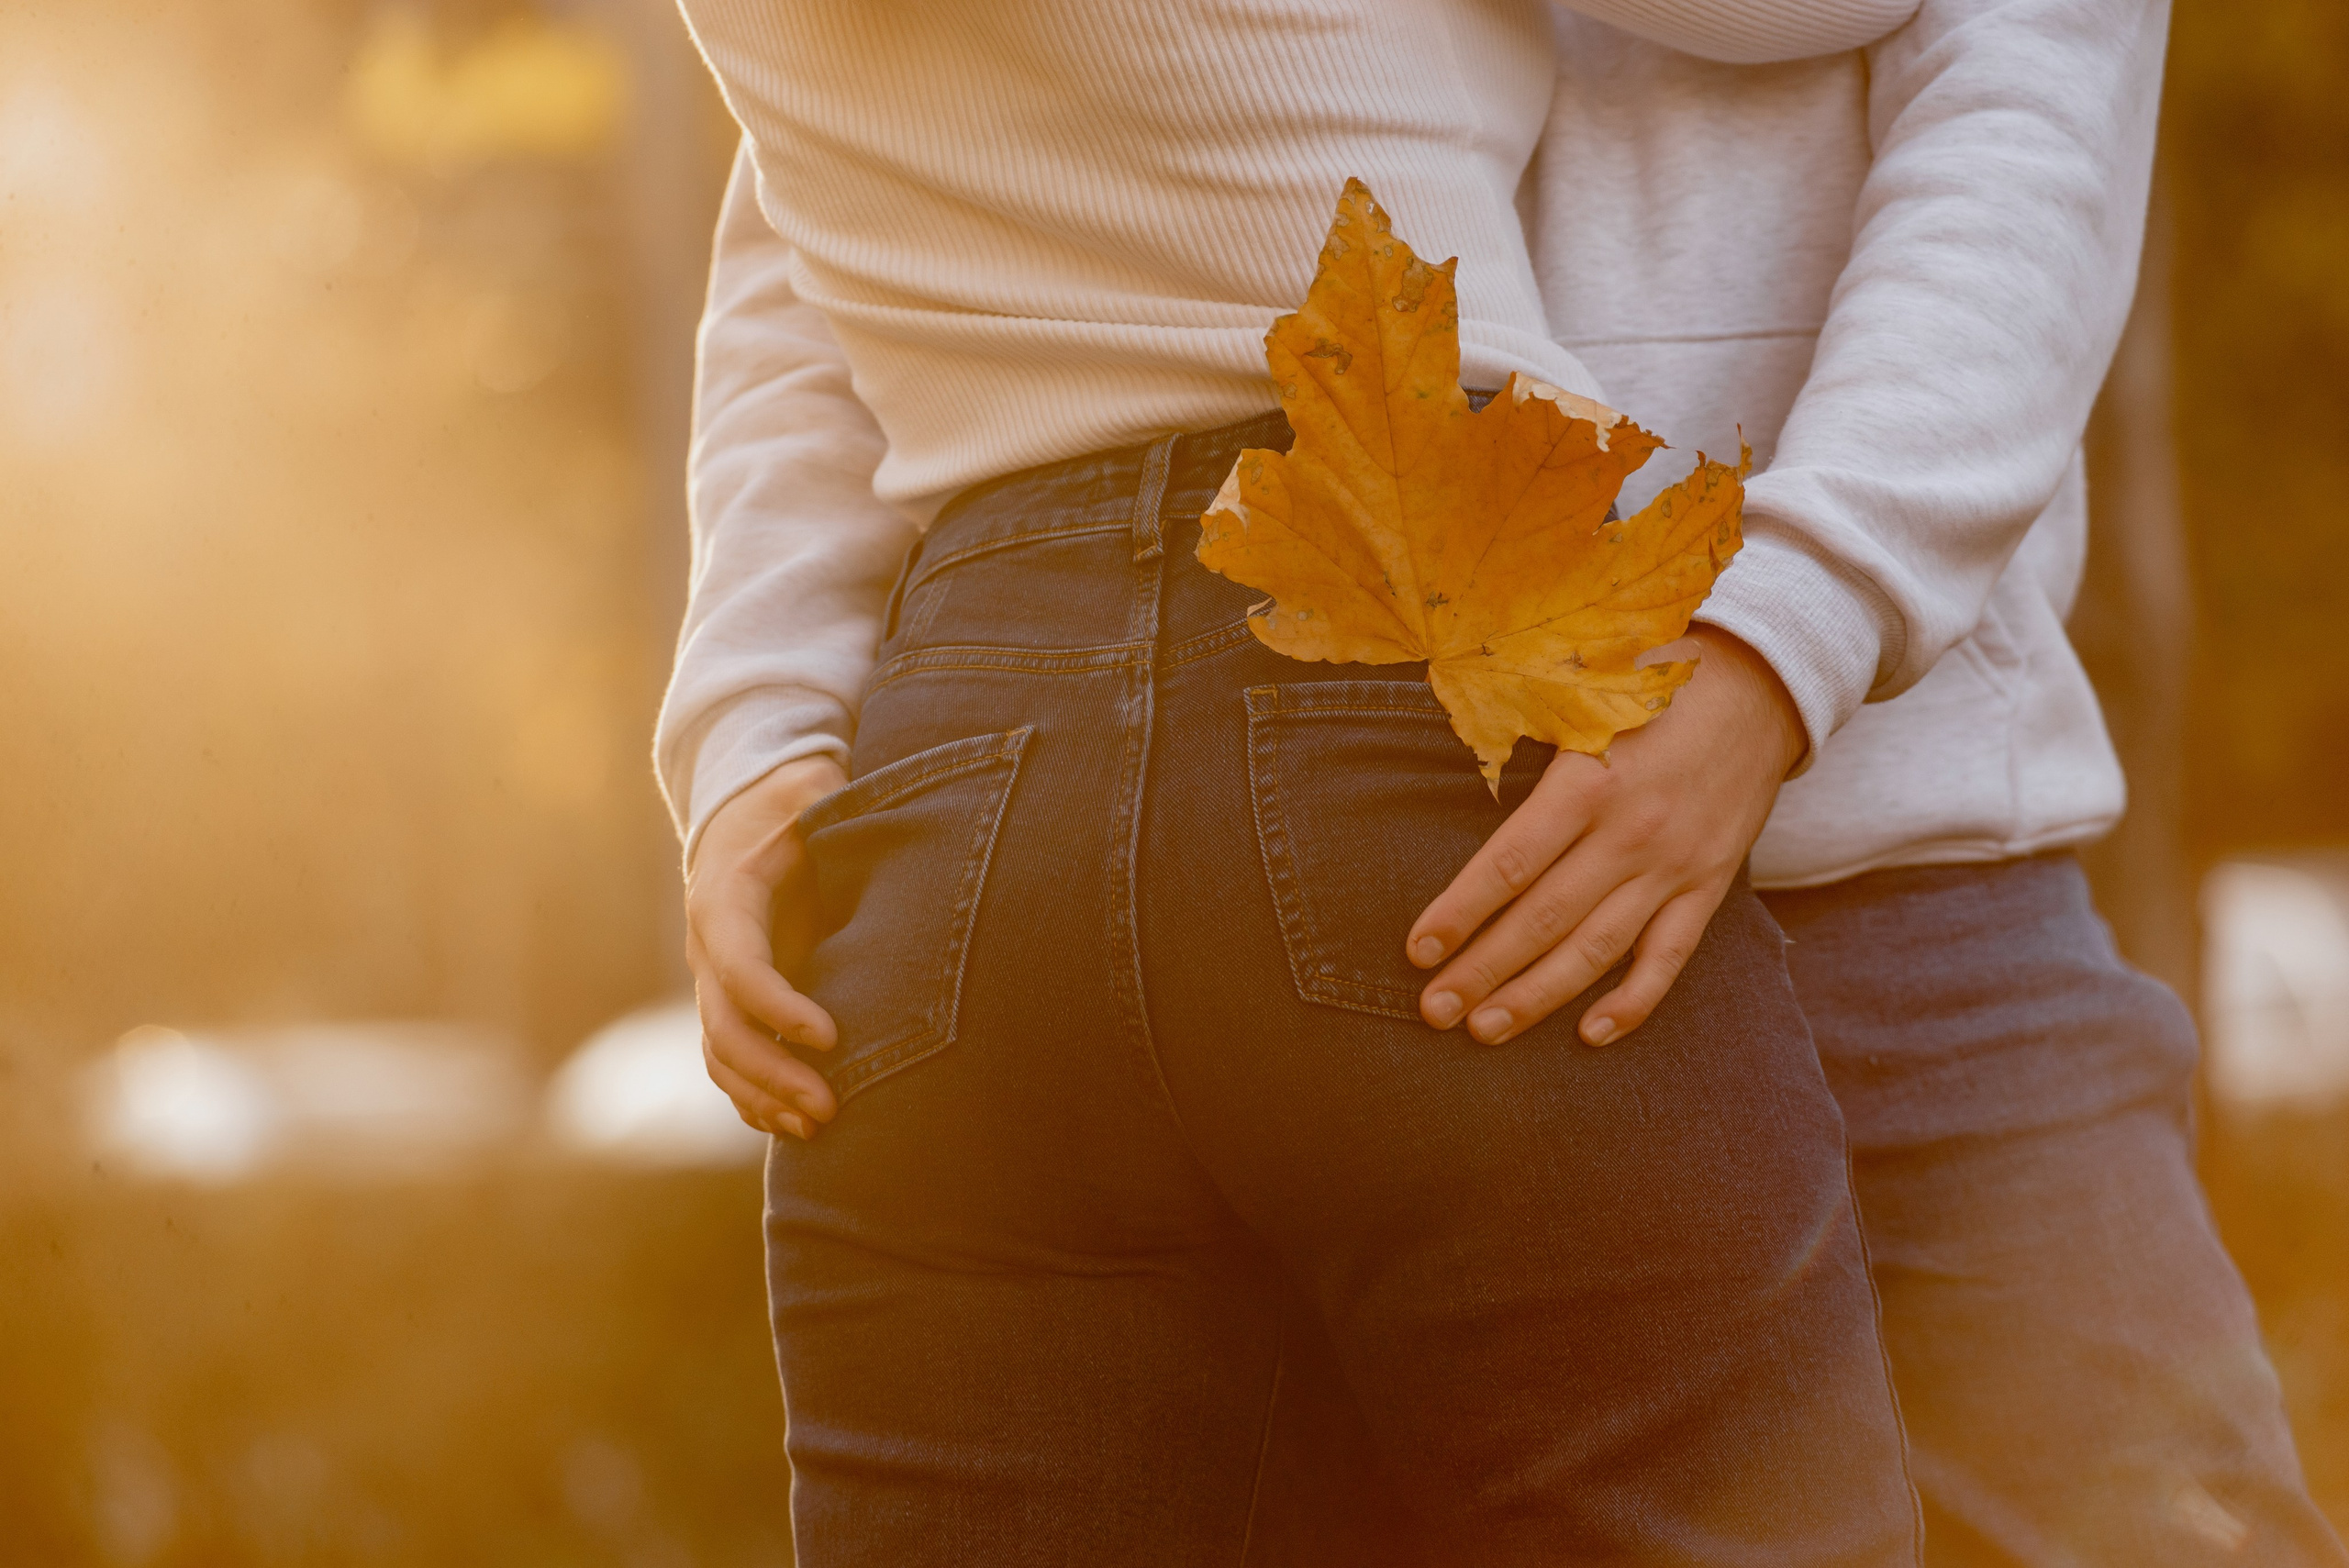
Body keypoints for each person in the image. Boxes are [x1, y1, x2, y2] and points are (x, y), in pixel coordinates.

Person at [661, 2, 2349, 1564]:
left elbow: (2025, 145)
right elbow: (852, 197)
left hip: (1888, 864)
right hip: (1399, 844)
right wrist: (755, 713)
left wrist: (1779, 649)